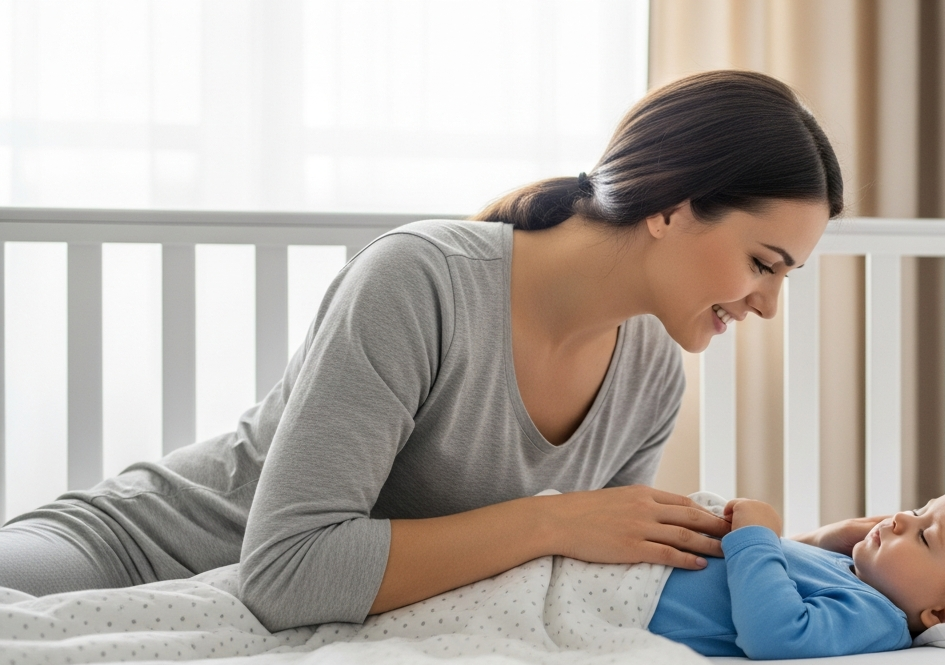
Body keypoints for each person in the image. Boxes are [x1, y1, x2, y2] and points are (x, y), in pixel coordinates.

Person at [0, 70, 843, 632]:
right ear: (671, 208)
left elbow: (595, 583)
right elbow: (288, 572)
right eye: (764, 263)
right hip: (135, 550)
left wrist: (805, 557)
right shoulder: (422, 279)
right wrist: (553, 520)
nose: (768, 304)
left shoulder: (651, 374)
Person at [649, 488, 945, 659]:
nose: (900, 518)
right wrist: (819, 539)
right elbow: (779, 576)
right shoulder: (854, 571)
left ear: (944, 614)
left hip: (634, 595)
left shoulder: (876, 618)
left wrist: (756, 536)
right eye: (919, 511)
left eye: (924, 536)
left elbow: (777, 632)